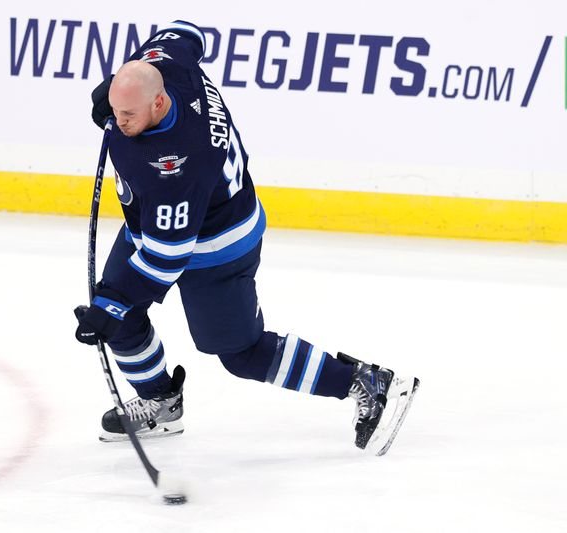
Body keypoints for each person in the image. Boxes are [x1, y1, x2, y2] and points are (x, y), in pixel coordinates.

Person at [73, 20, 419, 454]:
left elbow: (166, 258)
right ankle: (162, 400)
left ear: (159, 104)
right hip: (160, 224)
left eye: (128, 115)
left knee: (240, 353)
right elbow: (185, 31)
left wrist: (114, 308)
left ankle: (364, 382)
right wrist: (120, 91)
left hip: (217, 245)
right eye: (117, 111)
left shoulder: (177, 166)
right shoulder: (170, 64)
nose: (119, 121)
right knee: (114, 306)